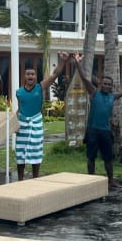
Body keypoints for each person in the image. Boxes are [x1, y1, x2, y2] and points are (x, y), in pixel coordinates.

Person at [74, 53, 122, 187]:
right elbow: (85, 79)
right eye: (104, 83)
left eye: (109, 84)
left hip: (105, 131)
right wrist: (77, 64)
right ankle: (91, 180)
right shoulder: (94, 93)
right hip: (92, 130)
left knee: (108, 158)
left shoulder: (112, 96)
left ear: (111, 87)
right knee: (91, 157)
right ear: (100, 84)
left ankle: (110, 180)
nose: (106, 86)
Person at [15, 52, 70, 181]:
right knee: (20, 152)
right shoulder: (19, 92)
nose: (30, 76)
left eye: (32, 74)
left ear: (35, 77)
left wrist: (62, 61)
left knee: (36, 151)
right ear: (24, 76)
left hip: (36, 124)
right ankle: (20, 179)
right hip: (22, 125)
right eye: (28, 74)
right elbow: (20, 108)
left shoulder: (40, 87)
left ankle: (35, 178)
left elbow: (55, 74)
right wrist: (14, 122)